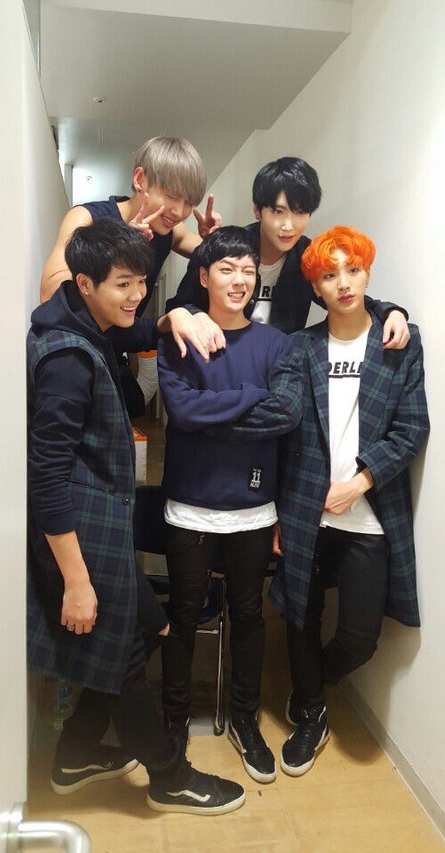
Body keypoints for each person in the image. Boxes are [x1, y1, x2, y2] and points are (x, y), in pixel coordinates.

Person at [27, 218, 245, 815]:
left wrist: (171, 318)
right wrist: (75, 581)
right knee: (123, 654)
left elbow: (135, 328)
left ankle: (75, 754)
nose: (136, 296)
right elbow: (45, 477)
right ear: (84, 283)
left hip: (100, 525)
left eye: (142, 283)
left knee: (150, 625)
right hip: (78, 536)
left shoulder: (87, 324)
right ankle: (170, 777)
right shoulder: (68, 358)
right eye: (122, 284)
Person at [269, 226, 429, 776]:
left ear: (367, 274)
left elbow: (412, 428)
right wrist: (280, 510)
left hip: (368, 516)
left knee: (361, 637)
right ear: (315, 287)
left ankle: (311, 680)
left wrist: (358, 483)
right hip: (304, 508)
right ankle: (312, 712)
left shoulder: (398, 342)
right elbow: (286, 432)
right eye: (329, 274)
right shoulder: (300, 347)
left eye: (352, 270)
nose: (343, 283)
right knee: (300, 614)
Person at [157, 227, 302, 784]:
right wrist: (251, 396)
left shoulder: (276, 345)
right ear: (204, 276)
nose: (239, 280)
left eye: (247, 270)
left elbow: (286, 415)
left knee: (248, 615)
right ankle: (173, 722)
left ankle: (244, 719)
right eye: (226, 269)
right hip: (190, 504)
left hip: (253, 508)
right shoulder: (182, 336)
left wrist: (213, 411)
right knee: (183, 616)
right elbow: (182, 412)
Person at [41, 136, 225, 415]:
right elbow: (50, 294)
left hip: (119, 350)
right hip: (76, 355)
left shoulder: (168, 230)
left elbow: (210, 256)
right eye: (171, 195)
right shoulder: (85, 218)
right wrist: (118, 249)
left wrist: (212, 240)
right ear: (140, 180)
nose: (179, 211)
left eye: (189, 202)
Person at [169, 156, 410, 348]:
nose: (288, 226)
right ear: (258, 211)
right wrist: (197, 316)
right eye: (278, 212)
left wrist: (390, 312)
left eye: (300, 212)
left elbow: (342, 295)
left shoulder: (307, 257)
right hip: (221, 359)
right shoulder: (226, 248)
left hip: (279, 371)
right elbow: (180, 305)